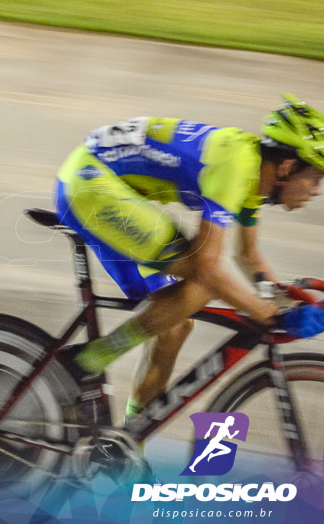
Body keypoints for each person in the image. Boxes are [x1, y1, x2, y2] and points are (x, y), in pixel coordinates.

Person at [55, 95, 324, 423]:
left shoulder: (256, 173)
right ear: (287, 166)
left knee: (174, 325)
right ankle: (86, 362)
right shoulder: (236, 168)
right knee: (202, 284)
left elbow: (248, 256)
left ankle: (129, 444)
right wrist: (268, 314)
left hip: (98, 181)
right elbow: (207, 269)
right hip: (91, 187)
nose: (316, 190)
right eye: (315, 177)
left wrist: (282, 301)